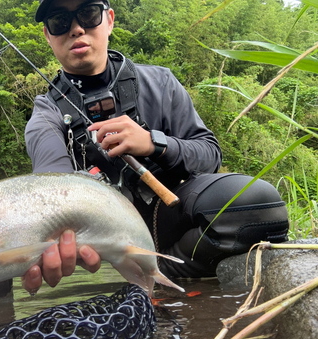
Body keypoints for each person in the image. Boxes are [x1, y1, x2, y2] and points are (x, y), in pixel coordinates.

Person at [21, 0, 289, 294]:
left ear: (109, 20)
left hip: (169, 215)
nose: (76, 29)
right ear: (48, 35)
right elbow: (51, 192)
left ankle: (158, 274)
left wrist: (154, 143)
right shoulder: (45, 115)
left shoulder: (160, 82)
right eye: (60, 21)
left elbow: (209, 155)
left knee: (260, 202)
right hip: (103, 237)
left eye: (88, 14)